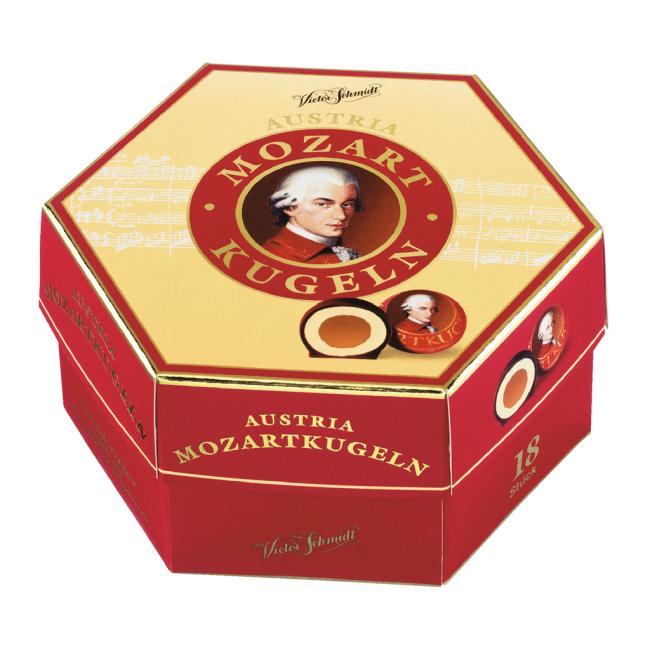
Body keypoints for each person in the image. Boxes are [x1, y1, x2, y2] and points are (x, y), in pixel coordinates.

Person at [262, 165, 363, 263]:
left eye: (347, 204)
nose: (341, 216)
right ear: (290, 207)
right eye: (322, 204)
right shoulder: (273, 257)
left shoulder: (340, 252)